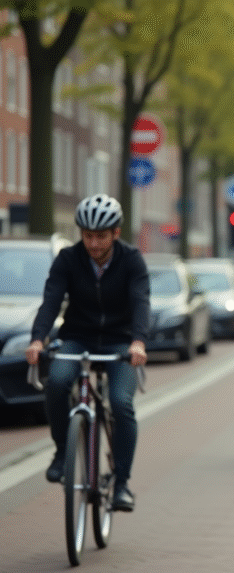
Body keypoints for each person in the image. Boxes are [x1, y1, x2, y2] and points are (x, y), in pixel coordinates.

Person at [25, 194, 150, 512]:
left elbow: (140, 301)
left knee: (121, 404)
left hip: (120, 341)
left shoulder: (132, 260)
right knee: (57, 381)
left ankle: (121, 484)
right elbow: (52, 300)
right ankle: (61, 452)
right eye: (88, 236)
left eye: (101, 237)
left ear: (116, 234)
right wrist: (38, 340)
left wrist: (138, 341)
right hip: (78, 338)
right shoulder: (68, 259)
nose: (93, 244)